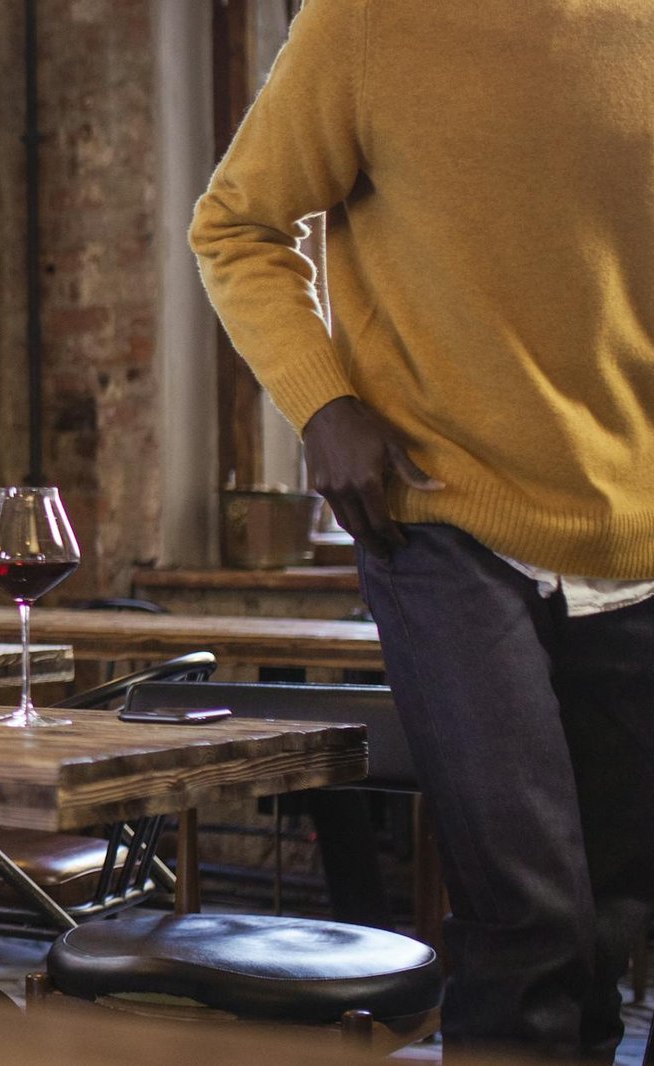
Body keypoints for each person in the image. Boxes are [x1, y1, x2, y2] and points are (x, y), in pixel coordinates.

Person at [189, 1, 654, 1060]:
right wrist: (322, 401)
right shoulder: (366, 21)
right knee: (528, 920)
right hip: (439, 514)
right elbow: (234, 223)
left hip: (636, 530)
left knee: (612, 920)